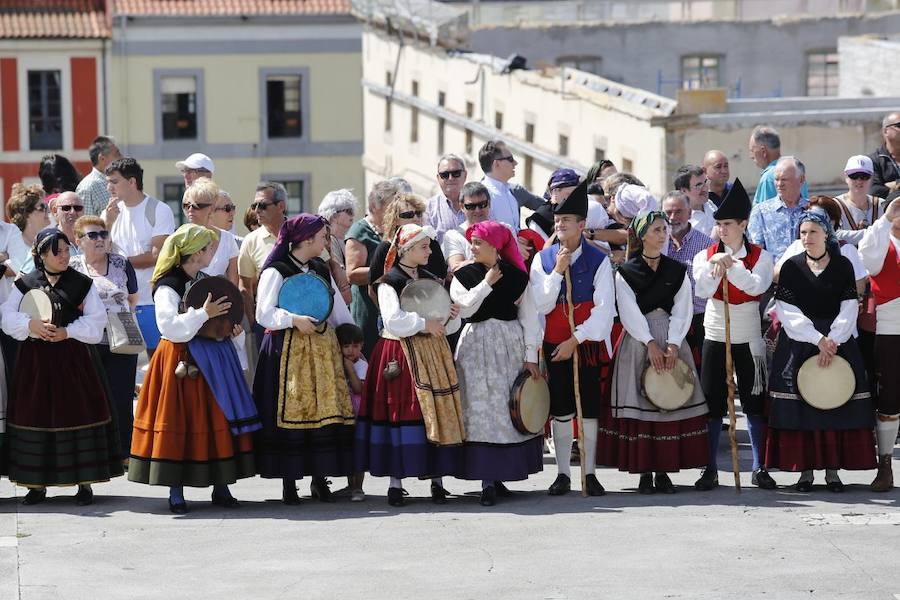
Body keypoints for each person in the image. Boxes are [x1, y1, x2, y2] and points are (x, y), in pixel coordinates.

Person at [129, 224, 259, 513]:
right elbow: (170, 327)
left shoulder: (204, 280)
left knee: (216, 418)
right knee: (181, 421)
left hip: (213, 355)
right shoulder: (168, 285)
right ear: (196, 252)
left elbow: (219, 318)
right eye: (209, 247)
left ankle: (221, 485)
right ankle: (176, 491)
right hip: (181, 359)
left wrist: (229, 328)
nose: (213, 250)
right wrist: (204, 314)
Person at [1, 228, 122, 505]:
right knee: (37, 415)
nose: (65, 256)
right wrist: (29, 325)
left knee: (77, 413)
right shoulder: (26, 283)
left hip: (74, 361)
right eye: (58, 251)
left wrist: (68, 332)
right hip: (35, 364)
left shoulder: (82, 283)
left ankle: (84, 482)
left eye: (67, 250)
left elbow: (96, 320)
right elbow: (6, 316)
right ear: (41, 255)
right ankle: (36, 484)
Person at [598, 211, 709, 494]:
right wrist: (649, 343)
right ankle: (644, 472)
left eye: (665, 229)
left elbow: (684, 307)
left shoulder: (676, 269)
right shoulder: (626, 270)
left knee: (669, 401)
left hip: (672, 336)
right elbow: (628, 310)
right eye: (658, 230)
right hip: (638, 340)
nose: (663, 235)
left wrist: (672, 344)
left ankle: (664, 471)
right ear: (643, 234)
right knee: (643, 405)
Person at [355, 223, 464, 507]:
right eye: (424, 247)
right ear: (406, 249)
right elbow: (392, 320)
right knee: (400, 411)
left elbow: (444, 324)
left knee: (433, 412)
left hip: (431, 352)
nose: (430, 251)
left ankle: (437, 480)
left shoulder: (429, 278)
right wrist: (423, 323)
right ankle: (395, 482)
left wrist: (449, 314)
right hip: (400, 351)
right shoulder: (388, 282)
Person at [765, 212, 875, 491]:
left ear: (826, 234)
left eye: (813, 232)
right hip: (801, 342)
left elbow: (849, 306)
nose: (807, 238)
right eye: (802, 233)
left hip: (837, 342)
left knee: (835, 403)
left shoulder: (842, 266)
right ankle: (805, 473)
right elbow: (787, 312)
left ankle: (833, 472)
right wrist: (817, 340)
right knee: (803, 408)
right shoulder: (791, 267)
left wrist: (832, 340)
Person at [251, 214, 356, 504]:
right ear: (306, 239)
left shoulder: (321, 268)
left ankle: (319, 478)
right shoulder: (277, 270)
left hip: (320, 351)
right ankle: (288, 483)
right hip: (287, 351)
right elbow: (263, 313)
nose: (326, 241)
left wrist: (350, 337)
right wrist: (293, 319)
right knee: (291, 414)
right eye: (323, 236)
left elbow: (334, 309)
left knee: (322, 414)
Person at [529, 180, 615, 496]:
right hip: (554, 345)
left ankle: (589, 473)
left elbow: (604, 311)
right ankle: (563, 473)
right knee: (562, 408)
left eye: (566, 220)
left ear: (581, 225)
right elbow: (540, 304)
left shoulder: (599, 260)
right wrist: (557, 272)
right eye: (557, 220)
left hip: (586, 345)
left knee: (589, 408)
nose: (559, 225)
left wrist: (575, 340)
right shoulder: (544, 259)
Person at [451, 221, 542, 506]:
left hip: (508, 346)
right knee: (479, 407)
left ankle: (500, 474)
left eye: (478, 242)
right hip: (475, 345)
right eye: (472, 242)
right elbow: (465, 308)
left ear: (495, 245)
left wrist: (530, 357)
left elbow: (529, 318)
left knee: (505, 407)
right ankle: (486, 478)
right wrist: (486, 284)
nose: (472, 247)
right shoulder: (464, 275)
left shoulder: (517, 277)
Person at [692, 179, 775, 491]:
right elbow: (701, 291)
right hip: (715, 332)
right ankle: (709, 468)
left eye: (727, 224)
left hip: (749, 334)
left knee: (754, 402)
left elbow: (756, 286)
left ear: (743, 224)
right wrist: (717, 265)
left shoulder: (762, 257)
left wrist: (733, 266)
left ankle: (759, 467)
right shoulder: (706, 254)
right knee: (713, 402)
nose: (722, 230)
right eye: (719, 224)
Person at [70, 216, 139, 465]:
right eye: (93, 235)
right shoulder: (73, 266)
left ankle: (123, 453)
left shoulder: (121, 263)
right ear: (78, 241)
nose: (100, 239)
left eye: (104, 234)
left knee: (121, 398)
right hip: (86, 341)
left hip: (122, 337)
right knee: (89, 397)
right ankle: (93, 452)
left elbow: (133, 297)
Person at [103, 157, 176, 358]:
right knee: (125, 364)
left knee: (156, 361)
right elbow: (99, 254)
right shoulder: (109, 214)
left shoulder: (159, 209)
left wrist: (119, 263)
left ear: (132, 182)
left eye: (114, 181)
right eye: (108, 181)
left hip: (151, 301)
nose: (109, 187)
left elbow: (156, 256)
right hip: (119, 304)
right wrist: (107, 224)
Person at [858, 197, 900, 491]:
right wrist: (886, 219)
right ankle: (885, 464)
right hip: (891, 327)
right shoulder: (879, 239)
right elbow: (868, 261)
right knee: (889, 398)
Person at [662, 190, 714, 368]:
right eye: (668, 212)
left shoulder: (707, 245)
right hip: (666, 319)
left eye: (678, 212)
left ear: (690, 213)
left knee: (702, 372)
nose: (672, 217)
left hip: (699, 319)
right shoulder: (657, 243)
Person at [345, 180, 397, 357]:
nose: (395, 211)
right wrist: (390, 270)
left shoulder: (395, 229)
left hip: (391, 304)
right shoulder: (360, 231)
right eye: (391, 206)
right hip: (368, 308)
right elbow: (352, 274)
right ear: (375, 206)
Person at [238, 182, 287, 346]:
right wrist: (254, 323)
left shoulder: (300, 234)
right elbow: (244, 287)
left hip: (301, 317)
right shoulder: (250, 241)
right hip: (266, 323)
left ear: (281, 206)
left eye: (263, 205)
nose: (256, 210)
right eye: (254, 205)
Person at [368, 193, 447, 293]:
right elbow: (373, 290)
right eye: (408, 215)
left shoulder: (432, 244)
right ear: (395, 220)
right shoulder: (385, 247)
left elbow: (441, 280)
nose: (415, 218)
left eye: (418, 213)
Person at [748, 157, 809, 262]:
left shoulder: (813, 209)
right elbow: (754, 250)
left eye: (784, 179)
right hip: (773, 276)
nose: (779, 184)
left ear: (801, 179)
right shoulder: (761, 212)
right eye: (776, 179)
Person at [480, 140, 543, 230]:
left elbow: (544, 206)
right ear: (496, 164)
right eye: (510, 159)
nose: (515, 163)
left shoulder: (514, 191)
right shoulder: (480, 196)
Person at [336, 322, 367, 502]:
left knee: (358, 452)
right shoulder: (336, 363)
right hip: (344, 415)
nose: (350, 351)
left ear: (361, 346)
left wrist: (349, 368)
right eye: (346, 346)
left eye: (355, 346)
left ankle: (358, 487)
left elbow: (358, 389)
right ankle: (350, 485)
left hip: (358, 416)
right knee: (348, 451)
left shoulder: (361, 365)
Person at [317, 188, 357, 306]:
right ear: (334, 215)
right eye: (349, 211)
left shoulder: (344, 240)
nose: (353, 215)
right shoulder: (327, 241)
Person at [748, 126, 808, 205]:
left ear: (763, 151)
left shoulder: (768, 177)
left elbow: (764, 215)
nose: (750, 156)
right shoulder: (796, 171)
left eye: (752, 150)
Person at [442, 182, 492, 272]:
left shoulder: (505, 229)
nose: (477, 210)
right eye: (471, 206)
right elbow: (456, 268)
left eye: (482, 204)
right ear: (462, 206)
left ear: (489, 203)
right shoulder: (453, 236)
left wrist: (469, 263)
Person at [835, 155, 882, 246]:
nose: (859, 180)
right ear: (846, 176)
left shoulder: (883, 205)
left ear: (872, 177)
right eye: (854, 175)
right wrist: (873, 233)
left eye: (865, 176)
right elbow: (833, 235)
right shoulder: (834, 205)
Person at [525, 168, 580, 242]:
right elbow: (543, 249)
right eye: (569, 194)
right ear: (555, 192)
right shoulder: (539, 219)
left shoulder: (580, 210)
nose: (574, 198)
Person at [426, 154, 467, 243]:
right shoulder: (428, 208)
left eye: (456, 173)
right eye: (444, 175)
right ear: (438, 178)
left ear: (465, 175)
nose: (450, 178)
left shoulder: (480, 204)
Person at [76, 136, 121, 216]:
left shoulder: (122, 182)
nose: (121, 157)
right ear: (102, 159)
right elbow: (86, 225)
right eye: (117, 154)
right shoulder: (88, 188)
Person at [674, 164, 716, 238]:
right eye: (699, 185)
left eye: (705, 182)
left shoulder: (710, 205)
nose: (705, 189)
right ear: (683, 191)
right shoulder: (680, 221)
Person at [869, 112, 900, 200]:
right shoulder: (873, 160)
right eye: (899, 125)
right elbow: (874, 191)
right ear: (885, 131)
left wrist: (895, 185)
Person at [51, 192, 86, 256]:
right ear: (55, 211)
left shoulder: (92, 239)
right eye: (66, 208)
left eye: (78, 208)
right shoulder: (49, 242)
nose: (72, 212)